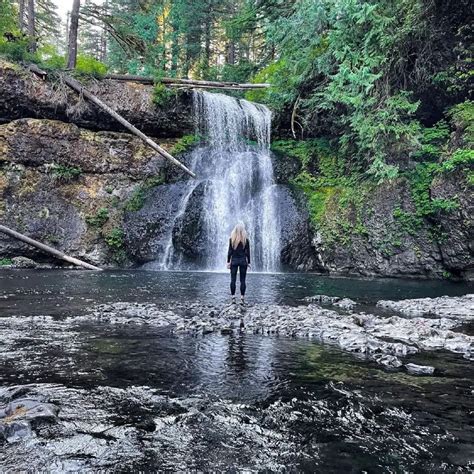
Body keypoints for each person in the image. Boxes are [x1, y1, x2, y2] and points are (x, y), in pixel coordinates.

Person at [226, 222, 251, 305]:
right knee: (242, 280)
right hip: (243, 261)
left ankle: (233, 298)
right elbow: (248, 253)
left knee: (233, 280)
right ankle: (242, 298)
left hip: (234, 261)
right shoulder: (246, 240)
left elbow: (229, 252)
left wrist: (228, 262)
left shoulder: (232, 240)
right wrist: (249, 262)